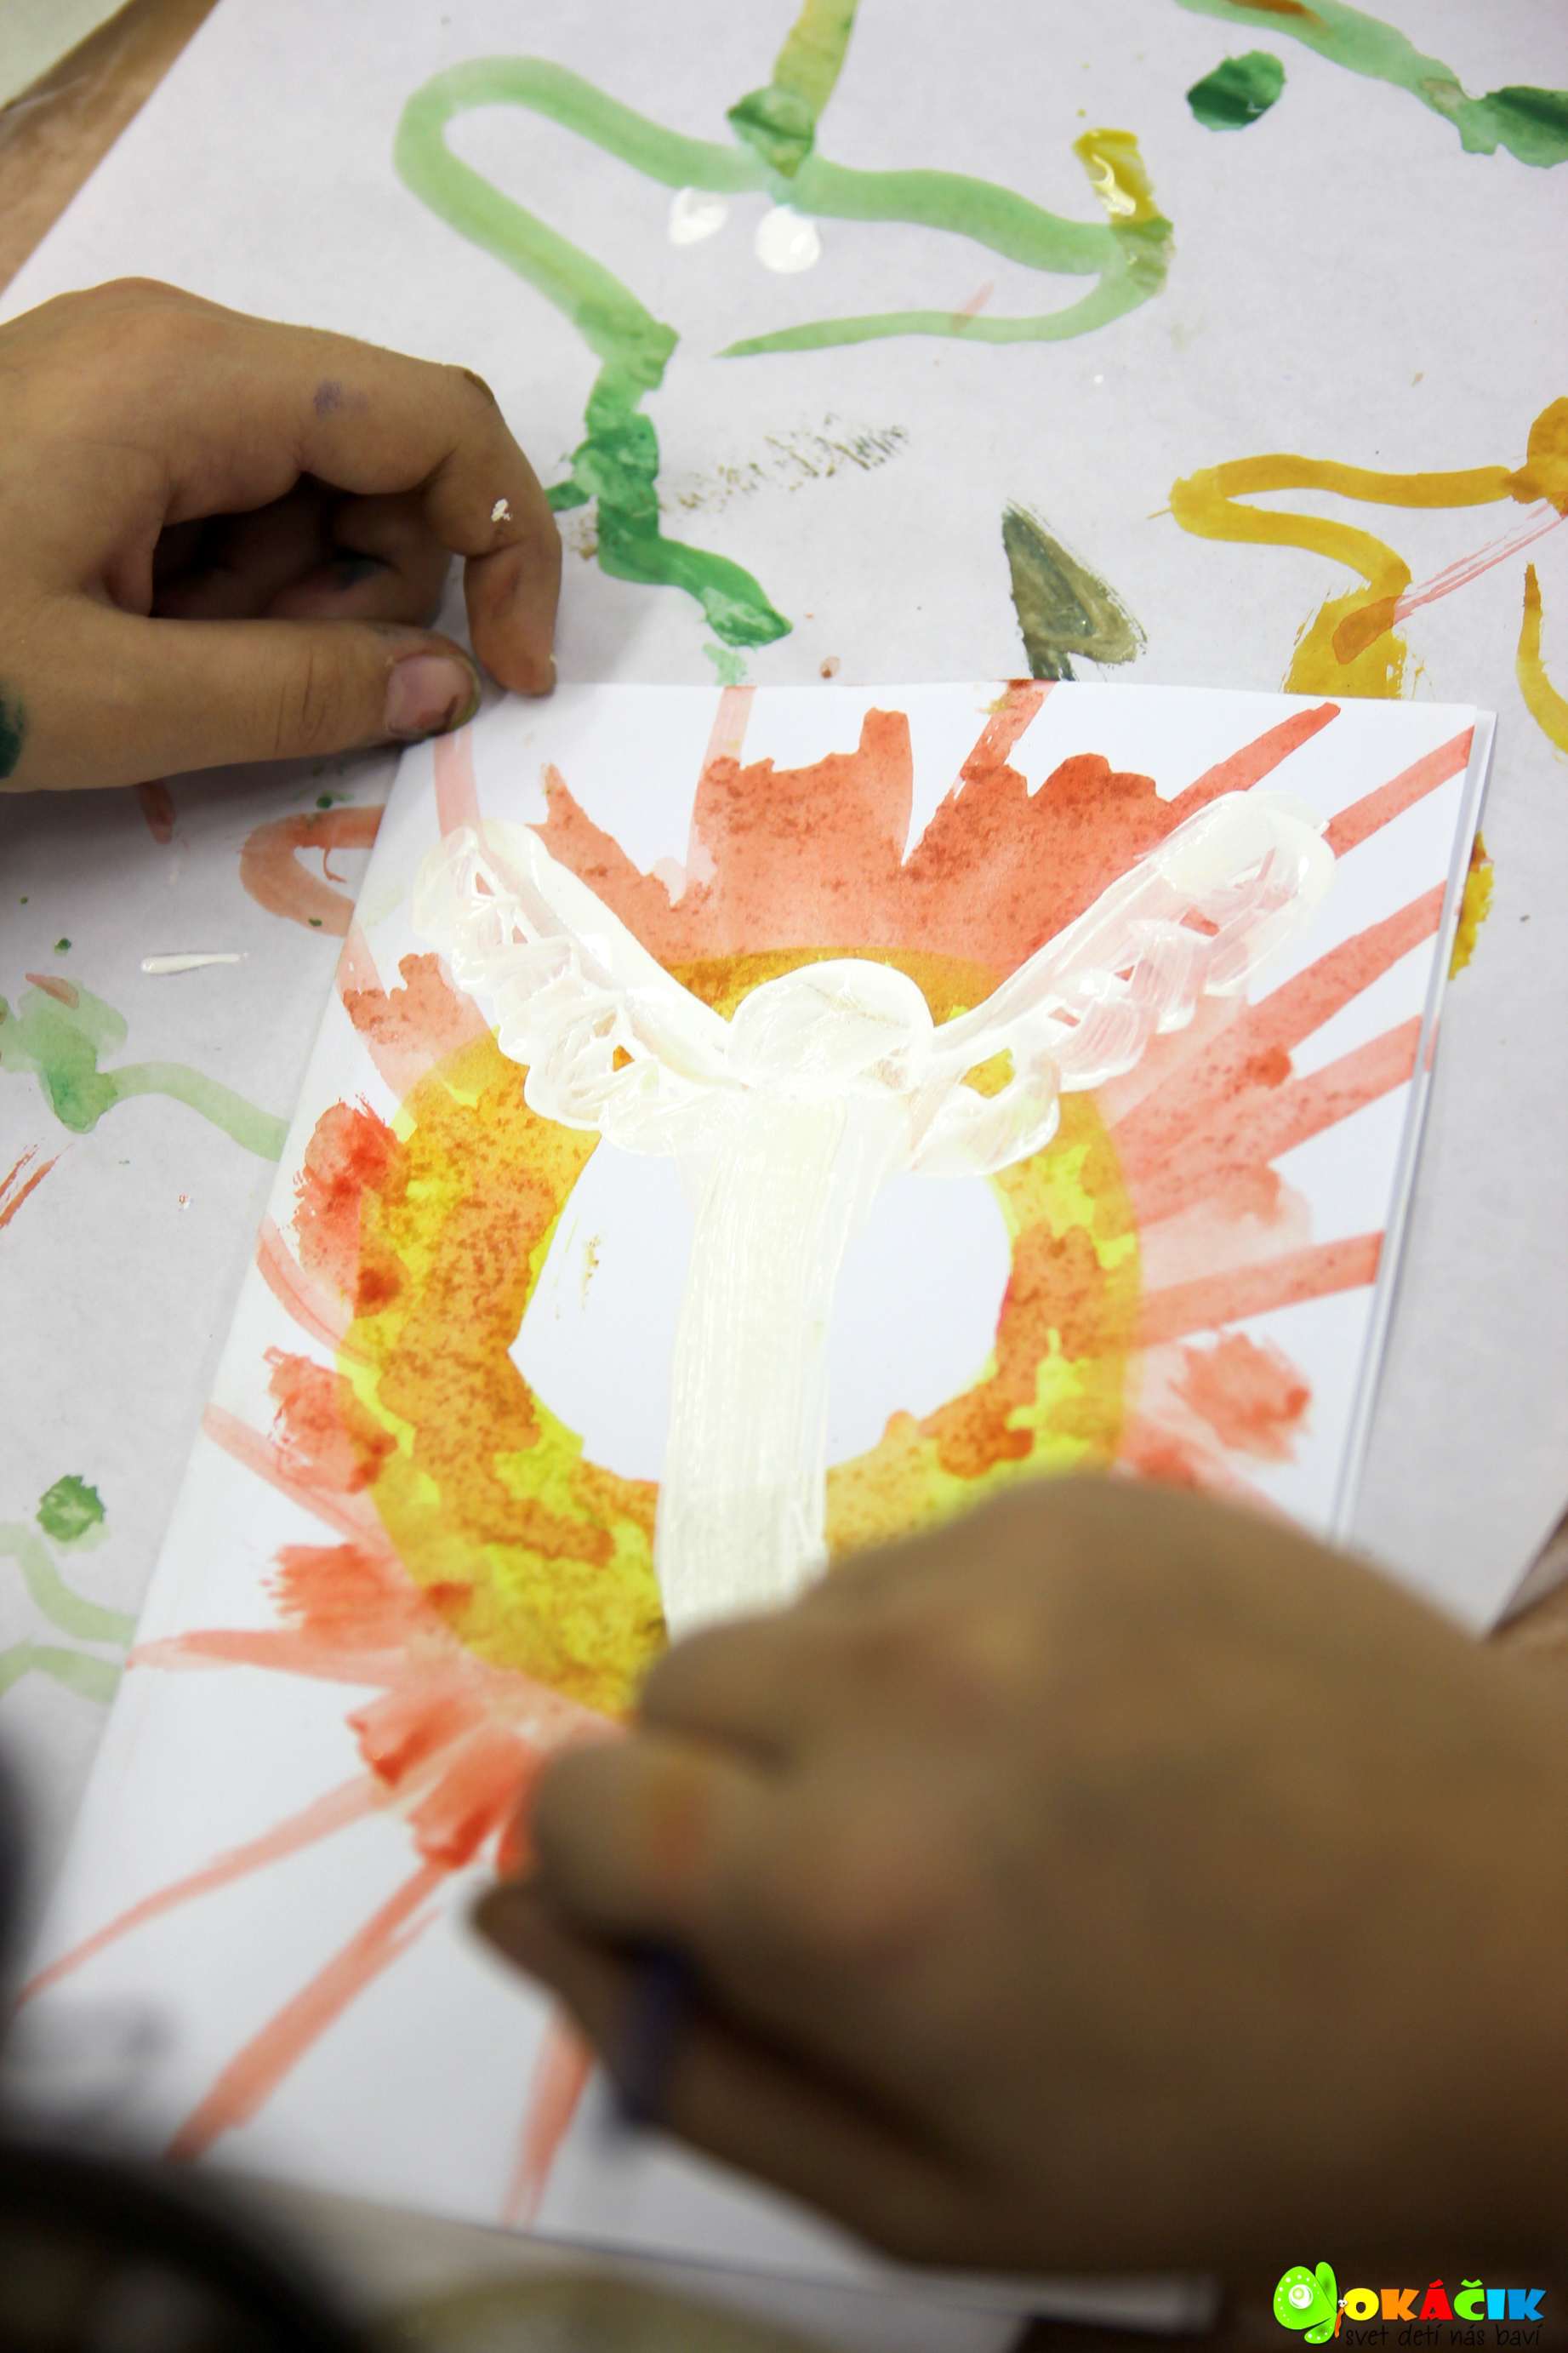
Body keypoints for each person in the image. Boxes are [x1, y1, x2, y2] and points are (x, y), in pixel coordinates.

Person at [3, 283, 1565, 2293]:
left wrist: (1489, 2024)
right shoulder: (741, 1075)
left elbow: (1090, 978)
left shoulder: (910, 1089)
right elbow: (601, 967)